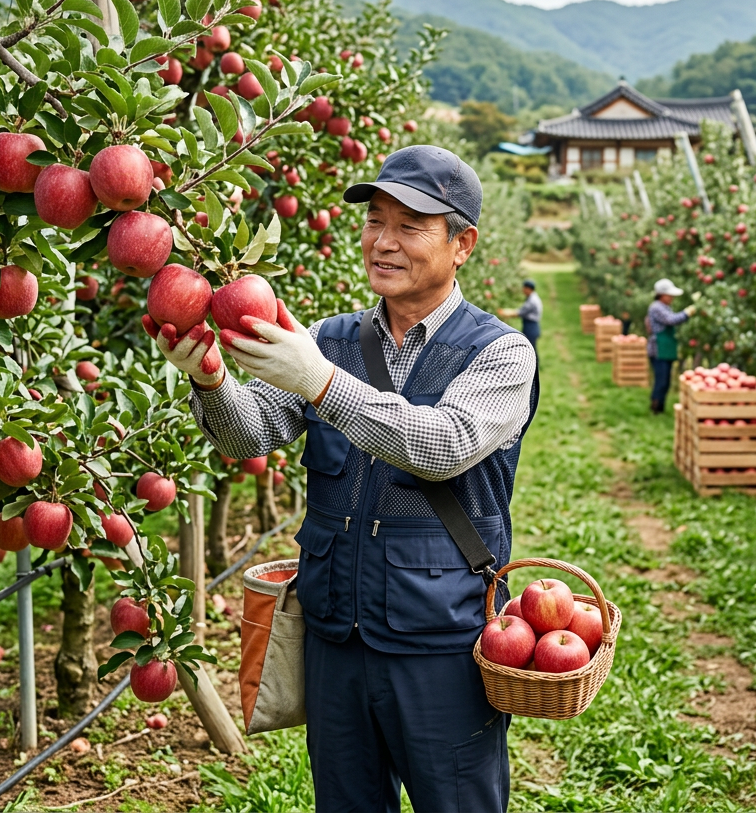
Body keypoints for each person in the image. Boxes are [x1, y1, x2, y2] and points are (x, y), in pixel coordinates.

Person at [155, 145, 539, 813]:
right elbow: (252, 433)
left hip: (440, 643)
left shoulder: (501, 353)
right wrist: (210, 378)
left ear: (462, 244)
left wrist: (320, 382)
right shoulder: (329, 340)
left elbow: (441, 446)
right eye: (374, 222)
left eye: (410, 227)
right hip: (336, 637)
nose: (383, 242)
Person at [646, 277, 695, 414]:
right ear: (662, 295)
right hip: (658, 350)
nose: (672, 298)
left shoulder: (664, 307)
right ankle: (656, 408)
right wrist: (687, 313)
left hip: (665, 348)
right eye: (670, 295)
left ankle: (659, 407)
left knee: (665, 380)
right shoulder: (656, 307)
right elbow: (671, 320)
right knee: (661, 380)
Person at [498, 279, 542, 363]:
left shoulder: (532, 301)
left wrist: (505, 313)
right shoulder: (533, 297)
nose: (523, 290)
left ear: (528, 289)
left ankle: (534, 367)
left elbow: (520, 312)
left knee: (531, 348)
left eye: (524, 288)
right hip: (532, 326)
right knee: (532, 347)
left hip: (531, 326)